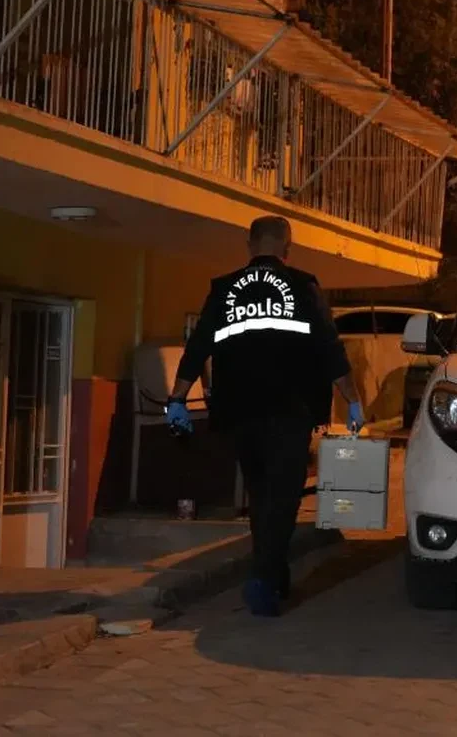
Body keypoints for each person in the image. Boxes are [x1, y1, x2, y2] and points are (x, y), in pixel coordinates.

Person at [165, 216, 364, 616]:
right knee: (284, 497)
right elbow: (330, 349)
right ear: (288, 248)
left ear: (249, 244)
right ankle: (263, 578)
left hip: (239, 411)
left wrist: (177, 398)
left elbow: (198, 345)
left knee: (260, 495)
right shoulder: (303, 287)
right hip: (290, 411)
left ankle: (273, 576)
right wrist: (353, 401)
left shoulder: (223, 290)